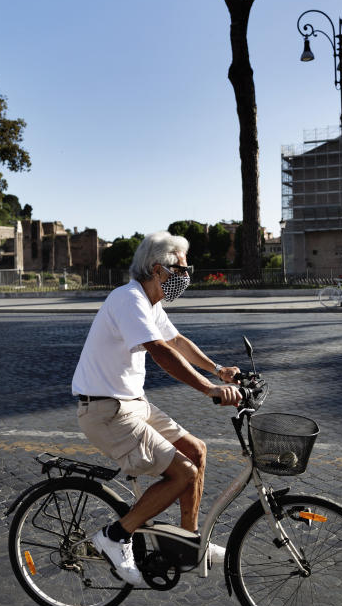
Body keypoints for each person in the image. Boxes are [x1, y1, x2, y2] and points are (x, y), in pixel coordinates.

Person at [71, 231, 242, 586]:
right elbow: (161, 352)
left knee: (197, 451)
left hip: (133, 404)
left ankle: (188, 542)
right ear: (156, 268)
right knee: (184, 473)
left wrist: (216, 368)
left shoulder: (151, 302)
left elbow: (176, 340)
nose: (185, 275)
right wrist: (209, 389)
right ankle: (115, 536)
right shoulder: (128, 299)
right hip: (107, 412)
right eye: (179, 267)